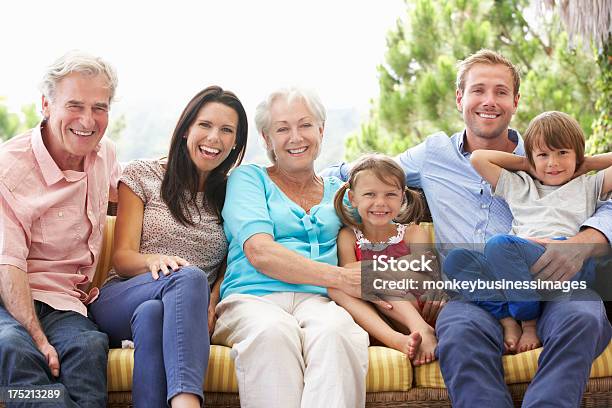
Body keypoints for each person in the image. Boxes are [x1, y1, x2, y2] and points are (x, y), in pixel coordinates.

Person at [324, 49, 612, 407]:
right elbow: (351, 175)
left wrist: (589, 239)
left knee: (583, 317)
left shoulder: (549, 157)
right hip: (473, 293)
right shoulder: (433, 155)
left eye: (501, 92)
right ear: (460, 98)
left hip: (550, 281)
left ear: (515, 101)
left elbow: (599, 195)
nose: (489, 101)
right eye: (478, 90)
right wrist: (299, 187)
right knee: (458, 335)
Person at [89, 86, 248, 408]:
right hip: (122, 295)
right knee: (187, 276)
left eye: (226, 130)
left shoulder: (235, 194)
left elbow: (231, 263)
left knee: (153, 315)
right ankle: (187, 403)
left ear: (236, 144)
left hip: (178, 310)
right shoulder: (143, 175)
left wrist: (212, 301)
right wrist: (154, 260)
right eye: (205, 125)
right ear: (187, 127)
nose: (214, 138)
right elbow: (121, 259)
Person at [212, 87, 369, 408]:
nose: (295, 137)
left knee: (337, 332)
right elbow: (261, 252)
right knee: (272, 332)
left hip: (319, 302)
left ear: (321, 131)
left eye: (305, 125)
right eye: (282, 128)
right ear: (267, 139)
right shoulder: (248, 179)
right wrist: (340, 277)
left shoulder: (341, 194)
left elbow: (384, 220)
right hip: (252, 299)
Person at [0, 51, 120, 407]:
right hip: (8, 297)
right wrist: (38, 339)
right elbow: (9, 265)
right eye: (75, 105)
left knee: (88, 347)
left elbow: (129, 194)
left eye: (99, 107)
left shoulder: (104, 155)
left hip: (64, 301)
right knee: (14, 350)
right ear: (46, 105)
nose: (88, 120)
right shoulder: (9, 169)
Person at [444, 111, 612, 355]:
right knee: (456, 261)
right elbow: (478, 158)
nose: (553, 163)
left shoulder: (589, 184)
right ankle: (507, 317)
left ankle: (528, 323)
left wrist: (586, 163)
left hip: (564, 264)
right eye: (543, 155)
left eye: (563, 153)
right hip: (516, 268)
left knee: (499, 245)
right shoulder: (519, 184)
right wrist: (526, 164)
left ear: (577, 154)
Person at [330, 153, 440, 365]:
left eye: (390, 194)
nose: (380, 203)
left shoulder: (412, 233)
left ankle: (420, 327)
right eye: (370, 194)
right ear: (352, 198)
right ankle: (397, 340)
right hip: (380, 321)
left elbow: (426, 274)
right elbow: (349, 277)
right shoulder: (348, 236)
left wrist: (375, 272)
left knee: (369, 275)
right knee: (338, 286)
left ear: (402, 198)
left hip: (419, 309)